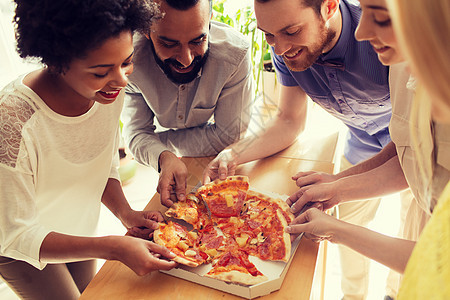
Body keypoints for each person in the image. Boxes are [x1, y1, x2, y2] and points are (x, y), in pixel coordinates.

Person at [204, 0, 394, 298]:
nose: (279, 49)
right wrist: (233, 154)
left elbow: (410, 147)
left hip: (417, 148)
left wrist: (341, 183)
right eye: (268, 35)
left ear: (329, 6)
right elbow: (289, 120)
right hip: (360, 145)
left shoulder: (382, 37)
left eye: (291, 31)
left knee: (415, 230)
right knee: (348, 230)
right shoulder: (286, 49)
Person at [0, 1, 177, 299]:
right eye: (100, 72)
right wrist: (113, 247)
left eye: (126, 62)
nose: (122, 81)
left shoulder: (106, 92)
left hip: (77, 228)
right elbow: (17, 233)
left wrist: (126, 213)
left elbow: (99, 162)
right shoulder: (12, 122)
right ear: (57, 62)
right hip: (22, 246)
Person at [285, 0, 450, 297]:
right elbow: (407, 148)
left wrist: (338, 230)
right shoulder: (401, 62)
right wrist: (337, 185)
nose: (361, 32)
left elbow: (439, 262)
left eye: (382, 19)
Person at [121, 0, 253, 208]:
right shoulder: (128, 61)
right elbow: (135, 135)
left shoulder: (235, 55)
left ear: (209, 21)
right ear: (146, 31)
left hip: (213, 163)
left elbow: (229, 136)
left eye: (197, 41)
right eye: (169, 44)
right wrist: (164, 157)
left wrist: (157, 146)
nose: (186, 60)